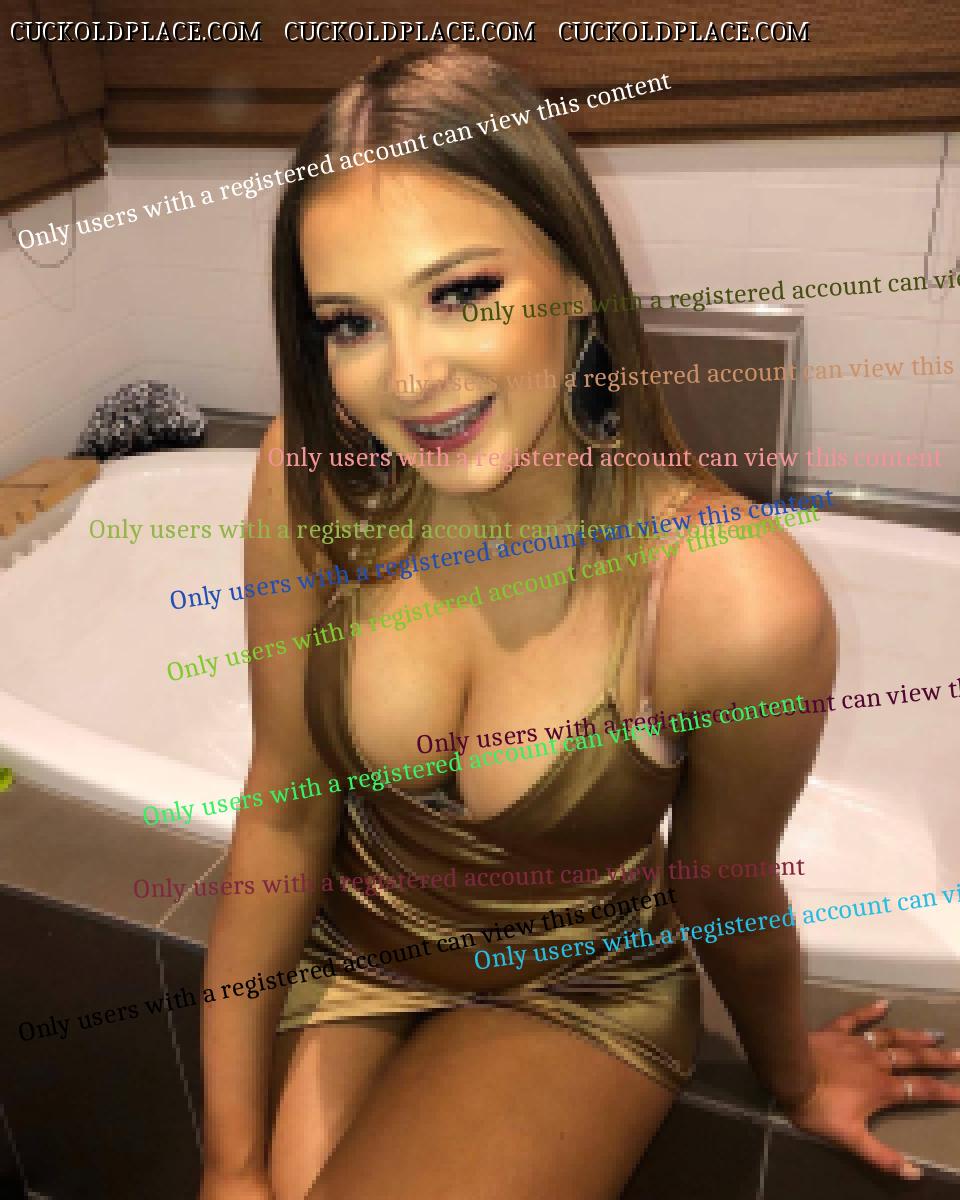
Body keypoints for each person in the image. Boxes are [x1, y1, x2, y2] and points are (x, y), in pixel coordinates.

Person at [199, 48, 960, 1200]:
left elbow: (723, 880)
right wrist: (231, 1162)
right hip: (355, 951)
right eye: (350, 323)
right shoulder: (313, 482)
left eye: (463, 292)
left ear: (575, 273)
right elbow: (286, 805)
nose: (411, 376)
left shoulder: (729, 595)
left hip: (571, 986)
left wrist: (795, 1076)